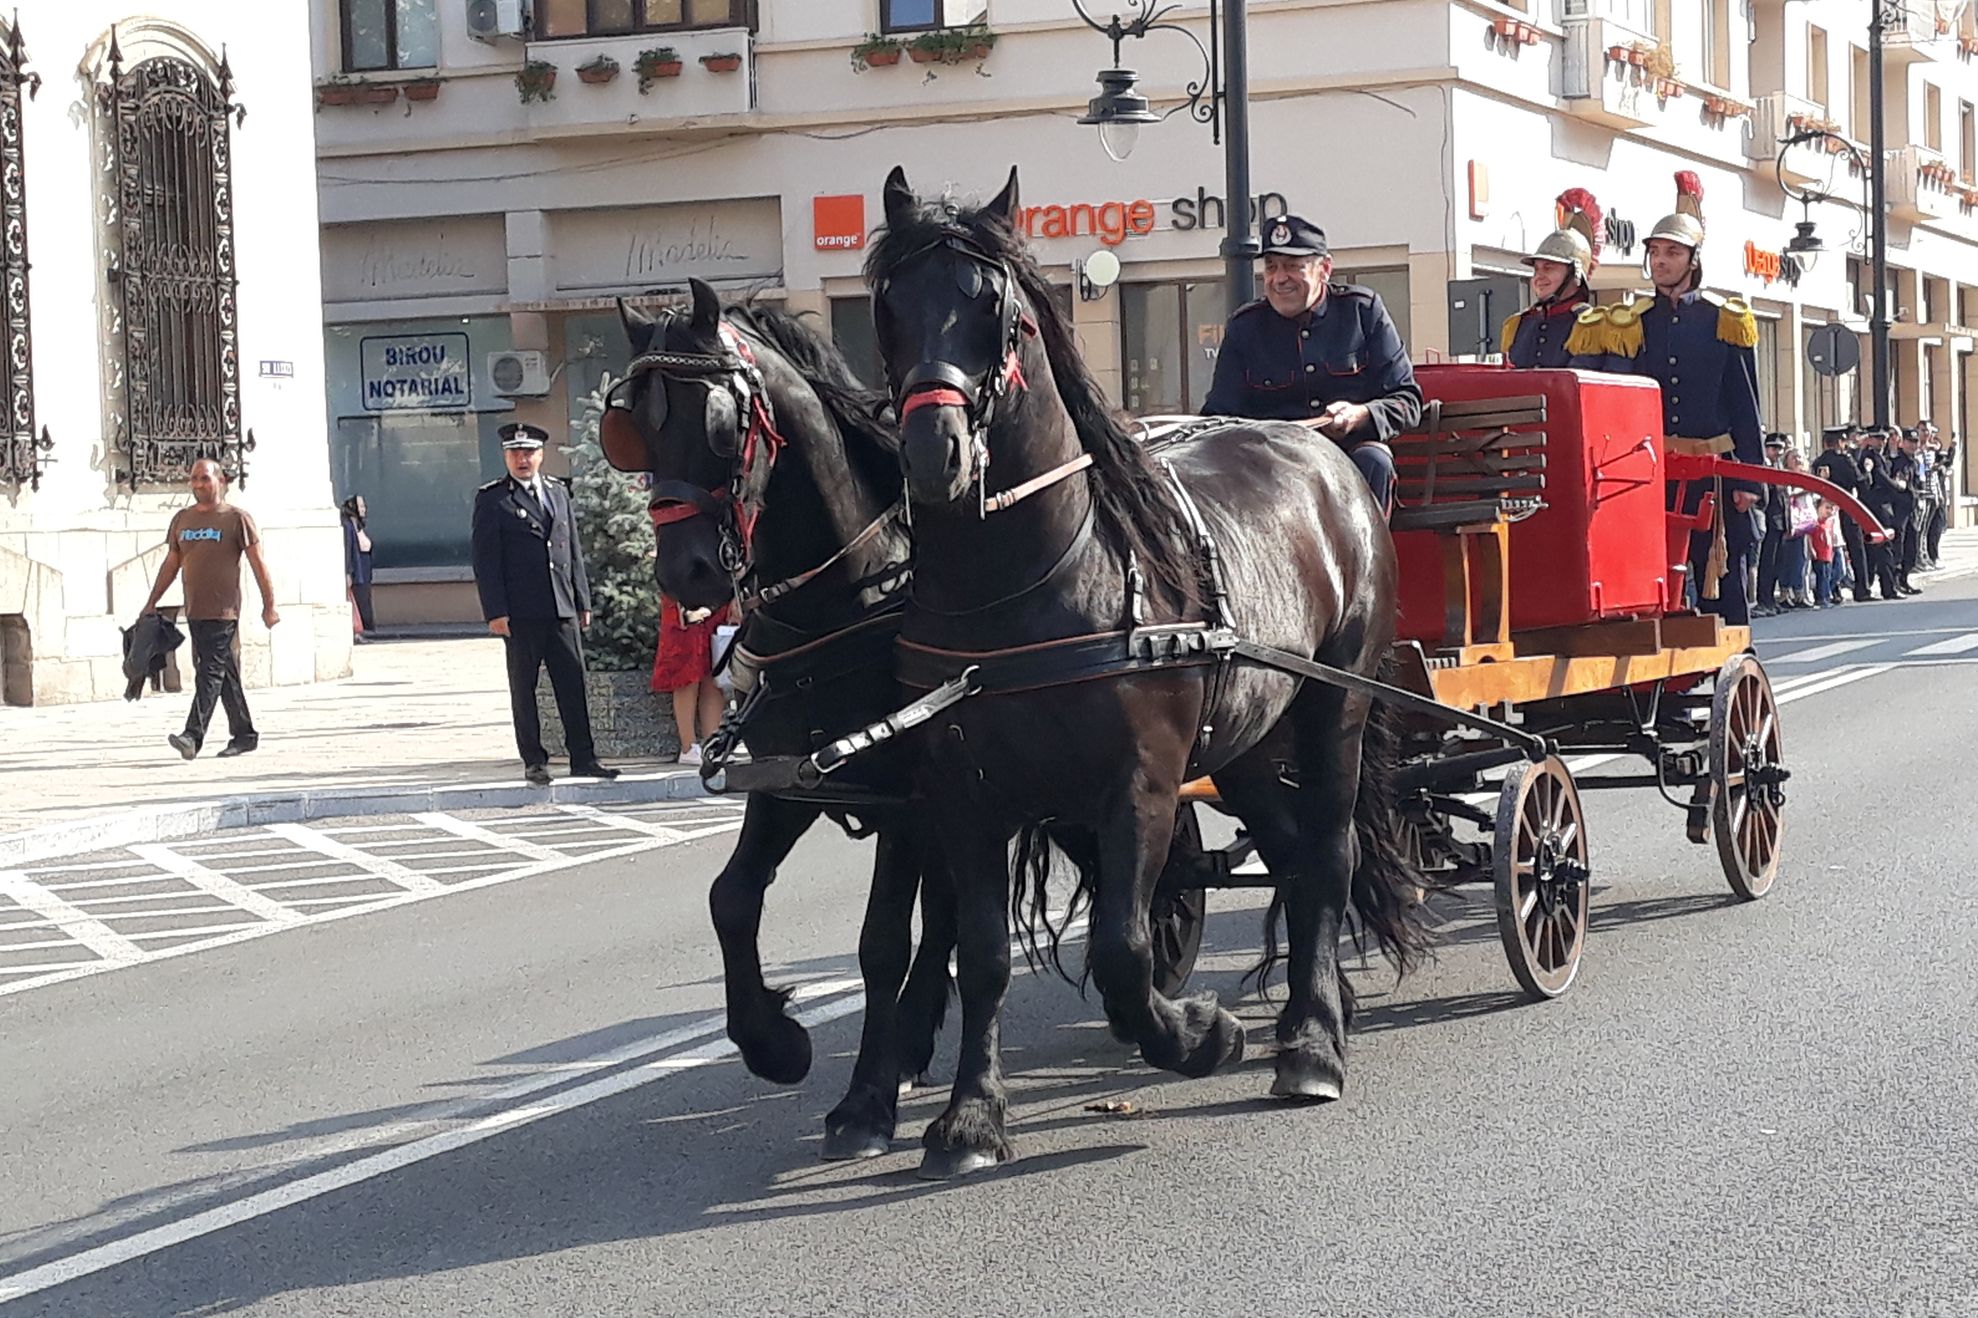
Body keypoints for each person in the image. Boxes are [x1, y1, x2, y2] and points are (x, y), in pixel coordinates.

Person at [1601, 172, 1766, 625]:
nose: (1660, 261)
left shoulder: (1724, 318)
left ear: (1693, 260)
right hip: (1655, 472)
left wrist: (1750, 479)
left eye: (1672, 252)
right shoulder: (1635, 321)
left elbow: (1744, 403)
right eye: (1654, 252)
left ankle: (1733, 653)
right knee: (1653, 578)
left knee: (1719, 573)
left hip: (1713, 473)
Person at [1202, 213, 1422, 513]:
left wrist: (1360, 415)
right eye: (1271, 267)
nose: (1280, 279)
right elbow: (1217, 416)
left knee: (1375, 461)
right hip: (1271, 466)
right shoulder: (1245, 327)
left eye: (1293, 267)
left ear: (1325, 269)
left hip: (1347, 458)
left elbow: (1407, 400)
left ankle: (1371, 560)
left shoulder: (1362, 311)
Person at [471, 422, 619, 786]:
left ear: (541, 454)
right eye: (515, 453)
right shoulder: (493, 499)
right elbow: (486, 561)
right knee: (525, 689)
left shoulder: (557, 492)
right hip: (520, 613)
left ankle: (583, 757)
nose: (522, 459)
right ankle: (535, 760)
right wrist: (495, 611)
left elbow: (574, 552)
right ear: (506, 456)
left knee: (573, 684)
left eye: (528, 452)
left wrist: (581, 599)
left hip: (561, 608)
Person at [138, 457, 279, 760]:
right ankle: (244, 734)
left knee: (209, 672)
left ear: (221, 481)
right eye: (194, 479)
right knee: (223, 671)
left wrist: (270, 605)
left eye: (205, 478)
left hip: (223, 611)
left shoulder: (236, 518)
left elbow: (258, 564)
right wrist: (152, 601)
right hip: (195, 610)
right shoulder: (182, 520)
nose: (198, 484)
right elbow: (171, 564)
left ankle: (192, 735)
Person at [652, 596, 732, 768]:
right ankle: (688, 747)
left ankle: (712, 744)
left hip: (719, 596)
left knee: (715, 669)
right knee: (686, 672)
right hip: (684, 597)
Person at [1811, 425, 1872, 602]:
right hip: (1846, 508)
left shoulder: (1818, 462)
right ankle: (1862, 589)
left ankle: (1832, 589)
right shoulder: (1845, 460)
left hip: (1825, 510)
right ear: (1839, 442)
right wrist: (1867, 471)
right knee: (1855, 549)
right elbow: (1860, 482)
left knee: (1829, 550)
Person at [1856, 429, 1905, 601]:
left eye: (1883, 438)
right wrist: (1898, 486)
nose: (1882, 441)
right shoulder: (1870, 457)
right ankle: (1888, 588)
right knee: (1884, 547)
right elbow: (1882, 478)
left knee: (1879, 548)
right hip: (1876, 506)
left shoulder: (1880, 456)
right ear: (1869, 439)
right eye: (1878, 438)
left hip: (1882, 505)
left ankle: (1881, 586)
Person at [1753, 435, 1790, 617]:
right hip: (1769, 520)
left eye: (1780, 449)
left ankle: (1770, 599)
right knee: (1767, 563)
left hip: (1780, 521)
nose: (1778, 453)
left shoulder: (1779, 467)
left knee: (1777, 564)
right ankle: (1763, 599)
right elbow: (1764, 494)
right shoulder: (1765, 468)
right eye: (1774, 448)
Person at [1886, 429, 1924, 595]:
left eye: (1915, 442)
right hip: (1899, 508)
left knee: (1912, 545)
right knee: (1899, 544)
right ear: (1903, 442)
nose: (1913, 445)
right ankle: (1896, 580)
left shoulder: (1915, 463)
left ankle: (1905, 578)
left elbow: (1919, 483)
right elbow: (1896, 484)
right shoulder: (1897, 460)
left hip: (1913, 507)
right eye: (1910, 442)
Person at [341, 495, 376, 643]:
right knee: (356, 602)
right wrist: (348, 571)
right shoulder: (347, 526)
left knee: (363, 601)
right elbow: (348, 549)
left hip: (364, 571)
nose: (363, 509)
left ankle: (358, 632)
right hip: (356, 572)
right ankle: (354, 633)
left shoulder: (358, 526)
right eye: (360, 506)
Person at [1809, 497, 1840, 607]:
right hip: (1819, 554)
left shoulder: (1829, 523)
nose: (1829, 511)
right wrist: (1811, 549)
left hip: (1828, 554)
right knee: (1821, 577)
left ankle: (1826, 597)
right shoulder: (1815, 522)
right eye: (1827, 508)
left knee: (1827, 576)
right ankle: (1821, 598)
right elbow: (1809, 536)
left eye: (1831, 508)